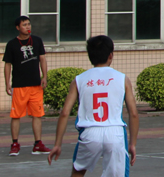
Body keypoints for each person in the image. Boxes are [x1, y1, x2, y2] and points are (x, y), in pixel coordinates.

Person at [47, 35, 139, 177]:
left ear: (90, 56)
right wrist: (132, 144)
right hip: (115, 132)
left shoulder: (79, 80)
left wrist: (57, 144)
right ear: (110, 55)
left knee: (78, 171)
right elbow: (133, 113)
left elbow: (65, 113)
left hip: (90, 132)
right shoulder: (122, 79)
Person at [3, 15, 50, 156]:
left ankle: (38, 144)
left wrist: (44, 76)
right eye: (24, 25)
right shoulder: (12, 44)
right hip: (19, 85)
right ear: (18, 27)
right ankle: (15, 144)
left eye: (29, 24)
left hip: (35, 85)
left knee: (37, 115)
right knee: (16, 115)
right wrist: (7, 83)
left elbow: (42, 59)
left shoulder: (37, 40)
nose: (27, 27)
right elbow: (7, 64)